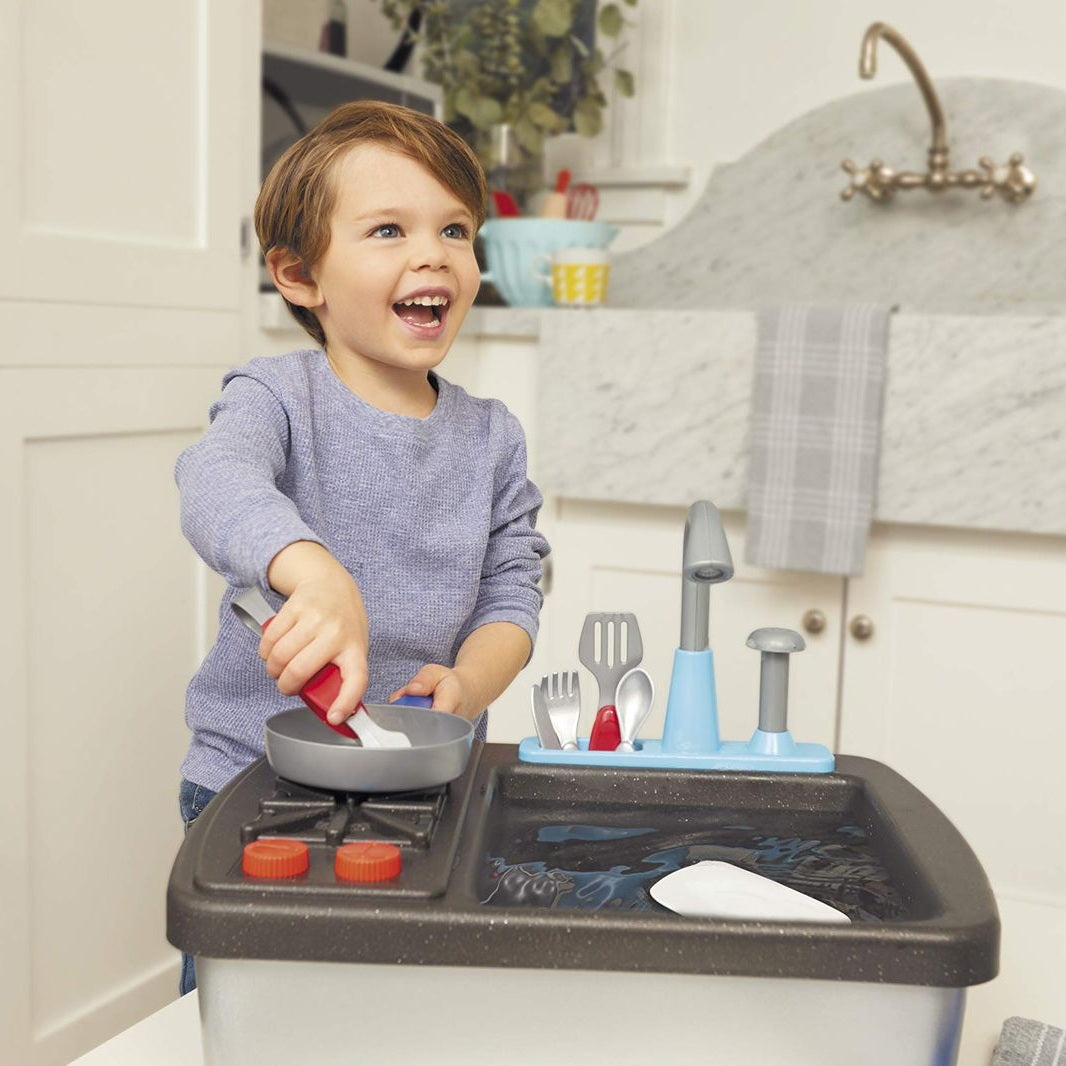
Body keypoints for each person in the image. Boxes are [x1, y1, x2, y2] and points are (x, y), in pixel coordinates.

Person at [174, 101, 549, 991]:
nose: (434, 254)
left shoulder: (492, 437)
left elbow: (513, 591)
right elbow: (212, 481)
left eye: (454, 228)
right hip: (254, 782)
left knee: (392, 1012)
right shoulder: (275, 396)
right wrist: (315, 572)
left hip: (430, 794)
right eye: (389, 229)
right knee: (246, 1013)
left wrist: (469, 686)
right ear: (301, 276)